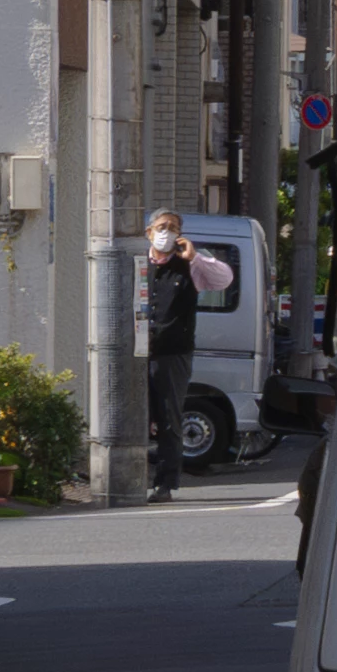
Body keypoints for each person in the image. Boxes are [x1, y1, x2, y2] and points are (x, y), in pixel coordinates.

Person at [138, 213, 199, 499]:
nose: (167, 233)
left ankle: (165, 484)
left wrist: (193, 258)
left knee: (168, 418)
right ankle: (132, 479)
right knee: (135, 415)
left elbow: (223, 278)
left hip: (173, 352)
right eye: (162, 228)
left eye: (173, 229)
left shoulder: (187, 266)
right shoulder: (138, 263)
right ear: (149, 232)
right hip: (137, 352)